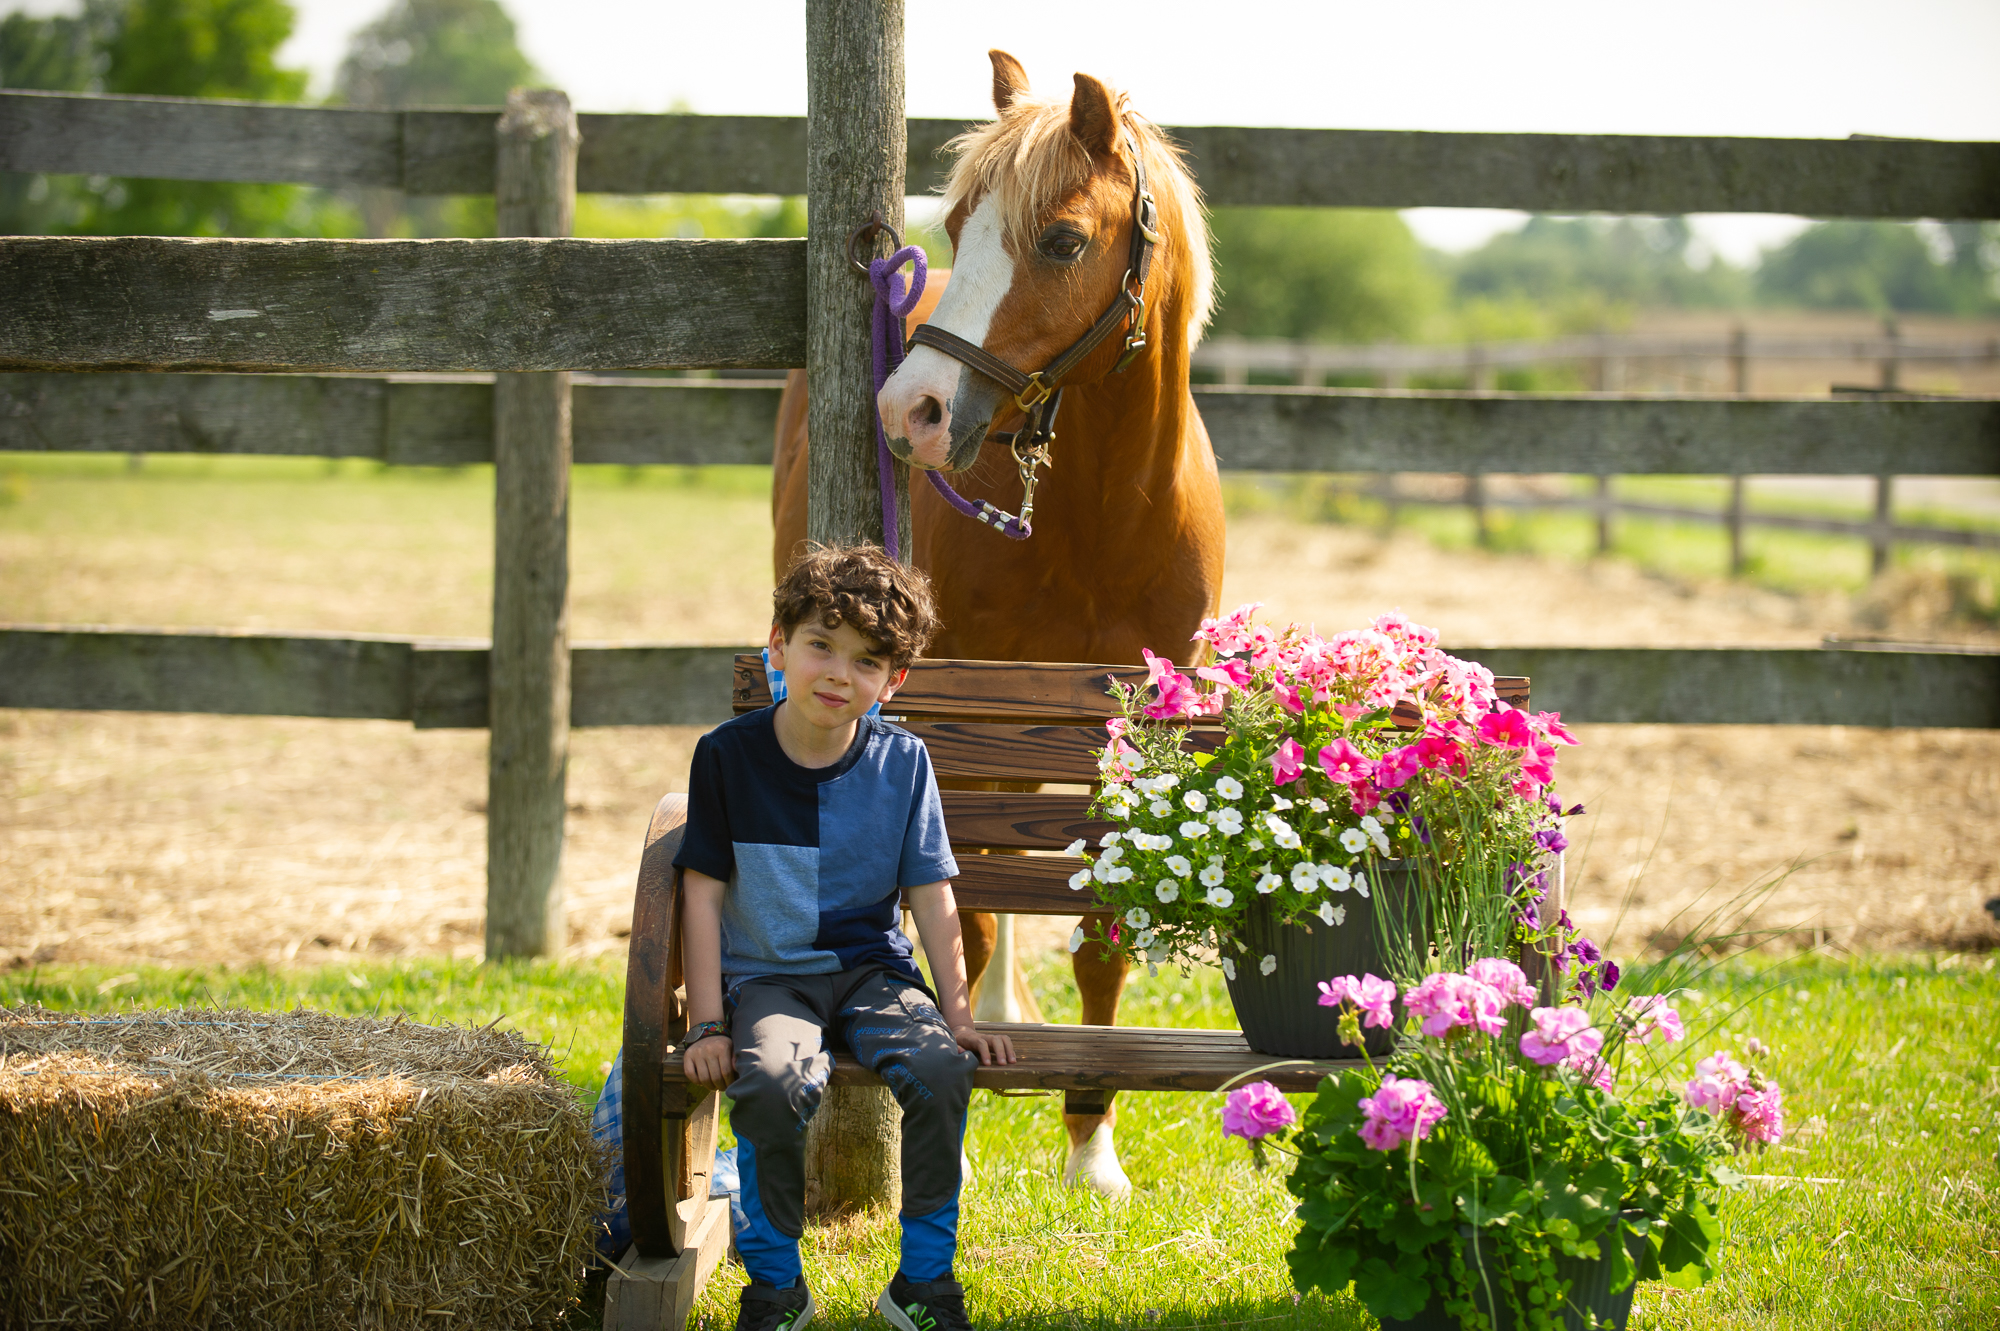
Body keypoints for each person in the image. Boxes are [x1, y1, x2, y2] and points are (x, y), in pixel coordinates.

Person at [675, 543, 1015, 1331]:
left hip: (871, 973)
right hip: (769, 979)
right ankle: (776, 1283)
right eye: (820, 644)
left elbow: (932, 895)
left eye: (866, 661)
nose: (837, 672)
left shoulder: (904, 763)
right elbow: (700, 891)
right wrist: (705, 1020)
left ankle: (924, 1282)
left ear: (893, 681)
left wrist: (958, 1016)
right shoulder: (726, 757)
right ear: (778, 644)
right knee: (770, 1079)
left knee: (938, 1067)